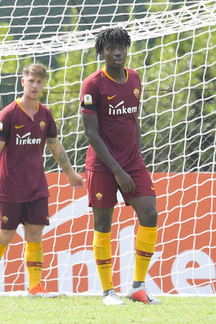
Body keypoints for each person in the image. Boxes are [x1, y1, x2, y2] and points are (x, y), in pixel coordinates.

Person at [0, 63, 84, 296]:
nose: (35, 85)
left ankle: (35, 286)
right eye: (31, 81)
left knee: (35, 235)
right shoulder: (8, 114)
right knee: (5, 234)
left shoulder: (46, 114)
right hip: (10, 187)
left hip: (36, 187)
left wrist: (70, 173)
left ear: (43, 85)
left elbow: (54, 145)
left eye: (39, 82)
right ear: (22, 82)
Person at [80, 26, 160, 305]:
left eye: (121, 46)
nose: (117, 52)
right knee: (103, 224)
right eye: (111, 47)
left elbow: (133, 121)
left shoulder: (135, 78)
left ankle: (137, 286)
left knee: (150, 214)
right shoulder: (93, 84)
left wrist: (135, 157)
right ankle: (108, 292)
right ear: (101, 52)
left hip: (131, 161)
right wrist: (117, 169)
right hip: (103, 165)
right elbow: (91, 133)